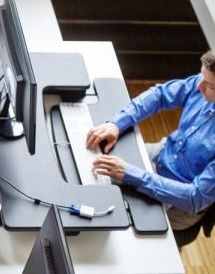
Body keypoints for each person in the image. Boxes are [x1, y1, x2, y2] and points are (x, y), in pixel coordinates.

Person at [86, 50, 215, 231]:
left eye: (209, 85)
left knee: (113, 220)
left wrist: (130, 174)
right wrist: (117, 123)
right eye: (201, 76)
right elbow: (160, 95)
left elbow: (194, 197)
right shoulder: (204, 81)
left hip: (177, 197)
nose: (199, 85)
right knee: (91, 169)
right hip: (161, 154)